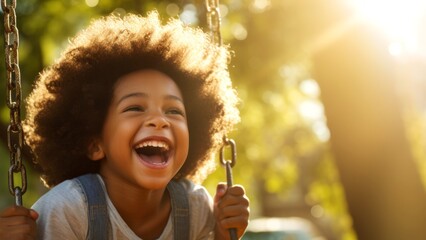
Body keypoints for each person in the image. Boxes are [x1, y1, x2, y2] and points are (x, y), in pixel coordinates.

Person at [0, 11, 249, 240]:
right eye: (135, 108)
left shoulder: (195, 207)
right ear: (95, 144)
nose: (159, 120)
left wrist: (223, 233)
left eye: (173, 111)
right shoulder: (68, 209)